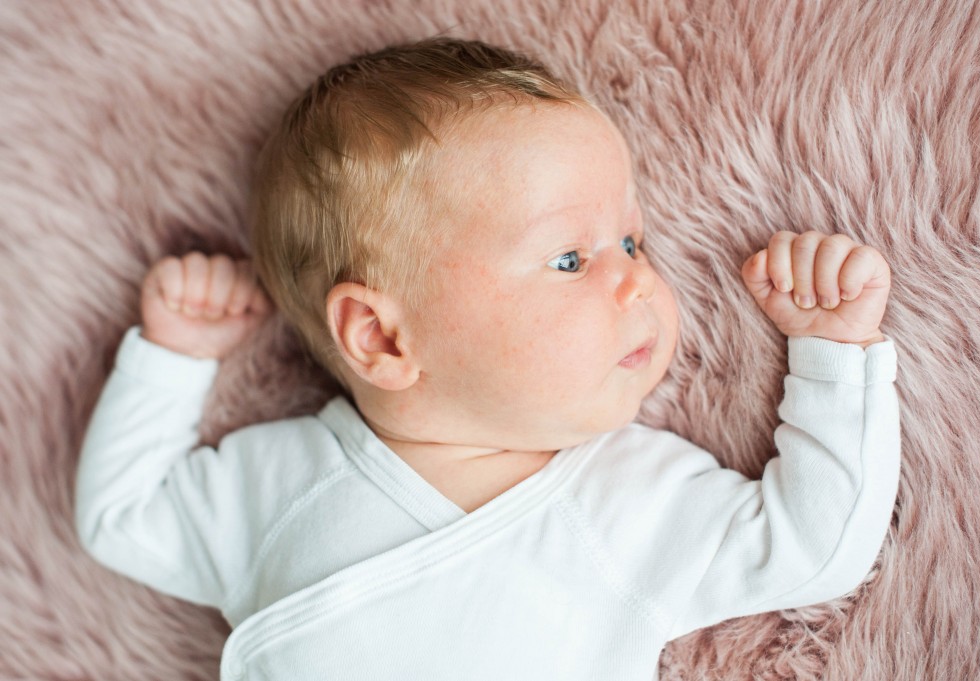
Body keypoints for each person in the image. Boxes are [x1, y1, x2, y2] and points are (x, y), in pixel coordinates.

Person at [76, 37, 900, 680]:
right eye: (570, 259)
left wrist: (833, 351)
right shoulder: (280, 485)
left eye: (631, 241)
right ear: (382, 337)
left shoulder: (631, 498)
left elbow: (813, 546)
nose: (638, 280)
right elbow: (122, 516)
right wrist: (174, 356)